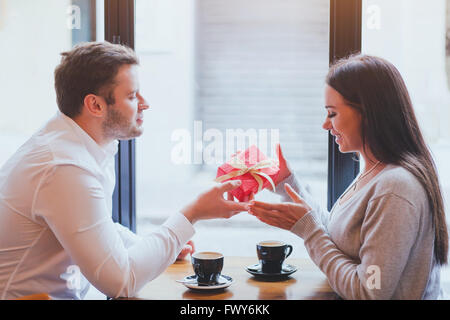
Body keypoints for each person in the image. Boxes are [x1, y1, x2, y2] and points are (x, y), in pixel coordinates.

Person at [0, 42, 247, 300]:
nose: (145, 103)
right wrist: (192, 213)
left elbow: (94, 226)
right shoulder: (64, 167)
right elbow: (121, 283)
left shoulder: (78, 142)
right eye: (132, 96)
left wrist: (158, 248)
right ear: (95, 105)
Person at [248, 54, 449, 300]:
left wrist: (309, 232)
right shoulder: (375, 170)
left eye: (332, 114)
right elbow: (337, 236)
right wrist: (286, 182)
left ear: (367, 112)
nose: (325, 125)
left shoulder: (395, 188)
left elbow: (369, 291)